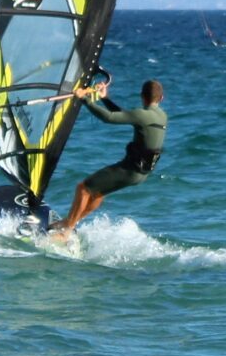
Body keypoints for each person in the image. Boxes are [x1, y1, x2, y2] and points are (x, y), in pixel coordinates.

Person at [51, 78, 167, 239]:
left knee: (83, 188)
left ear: (142, 96)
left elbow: (110, 118)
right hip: (142, 174)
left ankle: (67, 231)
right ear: (161, 98)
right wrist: (104, 99)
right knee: (97, 193)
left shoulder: (142, 115)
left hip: (130, 170)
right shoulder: (162, 116)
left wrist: (83, 99)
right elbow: (125, 116)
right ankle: (69, 223)